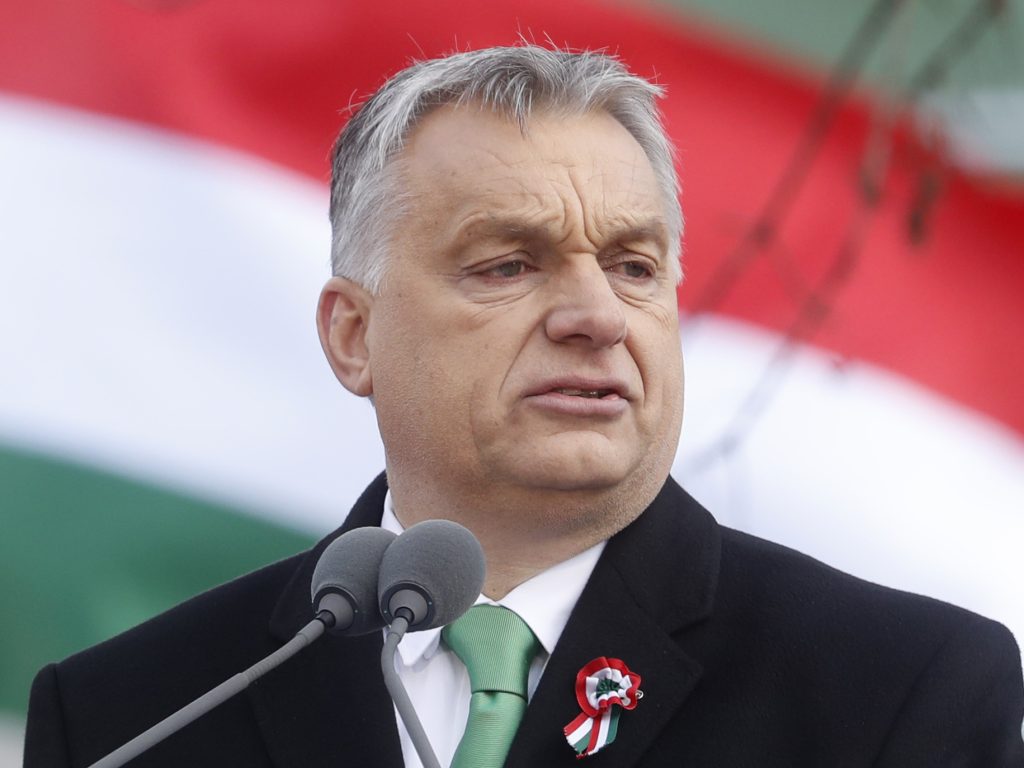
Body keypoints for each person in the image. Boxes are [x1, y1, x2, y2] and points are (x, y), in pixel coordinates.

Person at [24, 45, 1024, 767]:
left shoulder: (903, 693)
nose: (598, 316)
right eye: (508, 264)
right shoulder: (134, 712)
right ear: (353, 335)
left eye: (634, 267)